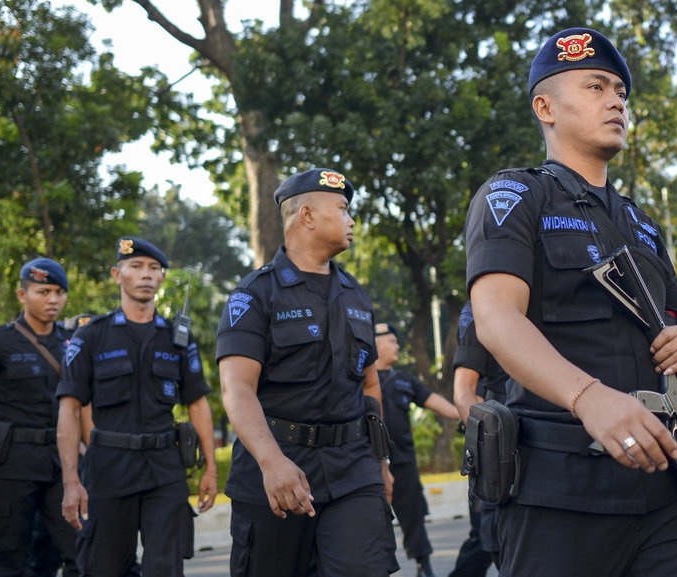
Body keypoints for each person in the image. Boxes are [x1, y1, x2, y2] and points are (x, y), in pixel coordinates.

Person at [464, 27, 677, 576]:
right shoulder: (515, 196)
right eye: (596, 86)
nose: (616, 102)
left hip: (670, 487)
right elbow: (496, 318)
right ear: (545, 107)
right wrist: (588, 397)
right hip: (562, 489)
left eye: (621, 94)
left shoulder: (642, 223)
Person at [216, 167, 398, 577]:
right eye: (343, 209)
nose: (352, 220)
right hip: (279, 470)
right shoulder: (255, 294)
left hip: (352, 470)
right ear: (307, 216)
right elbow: (237, 390)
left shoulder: (357, 296)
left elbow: (370, 385)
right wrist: (272, 463)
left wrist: (380, 463)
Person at [57, 237, 218, 577]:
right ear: (118, 274)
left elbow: (197, 403)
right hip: (108, 469)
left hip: (164, 468)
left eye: (154, 268)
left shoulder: (178, 338)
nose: (146, 275)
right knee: (104, 568)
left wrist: (211, 470)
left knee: (165, 568)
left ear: (162, 278)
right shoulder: (91, 337)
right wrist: (71, 481)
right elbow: (70, 409)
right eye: (136, 267)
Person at [0, 257, 79, 576]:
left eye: (59, 292)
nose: (53, 300)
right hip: (10, 468)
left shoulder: (73, 344)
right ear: (23, 295)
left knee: (82, 552)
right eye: (43, 292)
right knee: (9, 563)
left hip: (62, 465)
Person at [374, 322, 459, 577]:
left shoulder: (404, 380)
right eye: (391, 341)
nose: (397, 345)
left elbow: (436, 402)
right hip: (372, 463)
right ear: (375, 344)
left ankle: (425, 567)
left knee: (414, 518)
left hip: (404, 463)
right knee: (374, 522)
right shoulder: (358, 381)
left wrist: (467, 411)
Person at [449, 300, 508, 577]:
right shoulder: (480, 307)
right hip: (502, 448)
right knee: (490, 541)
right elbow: (463, 394)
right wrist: (491, 454)